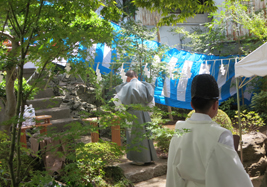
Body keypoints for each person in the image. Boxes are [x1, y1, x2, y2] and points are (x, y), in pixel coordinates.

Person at [166, 74, 253, 187]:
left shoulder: (180, 131)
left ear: (192, 104)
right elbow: (234, 177)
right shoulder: (220, 135)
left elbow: (173, 173)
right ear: (215, 105)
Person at [114, 70, 158, 165]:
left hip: (132, 113)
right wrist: (147, 113)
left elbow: (116, 100)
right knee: (146, 134)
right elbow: (151, 102)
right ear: (136, 76)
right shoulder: (146, 85)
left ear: (128, 77)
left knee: (134, 134)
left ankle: (139, 160)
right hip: (144, 112)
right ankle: (148, 158)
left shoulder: (125, 86)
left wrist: (124, 112)